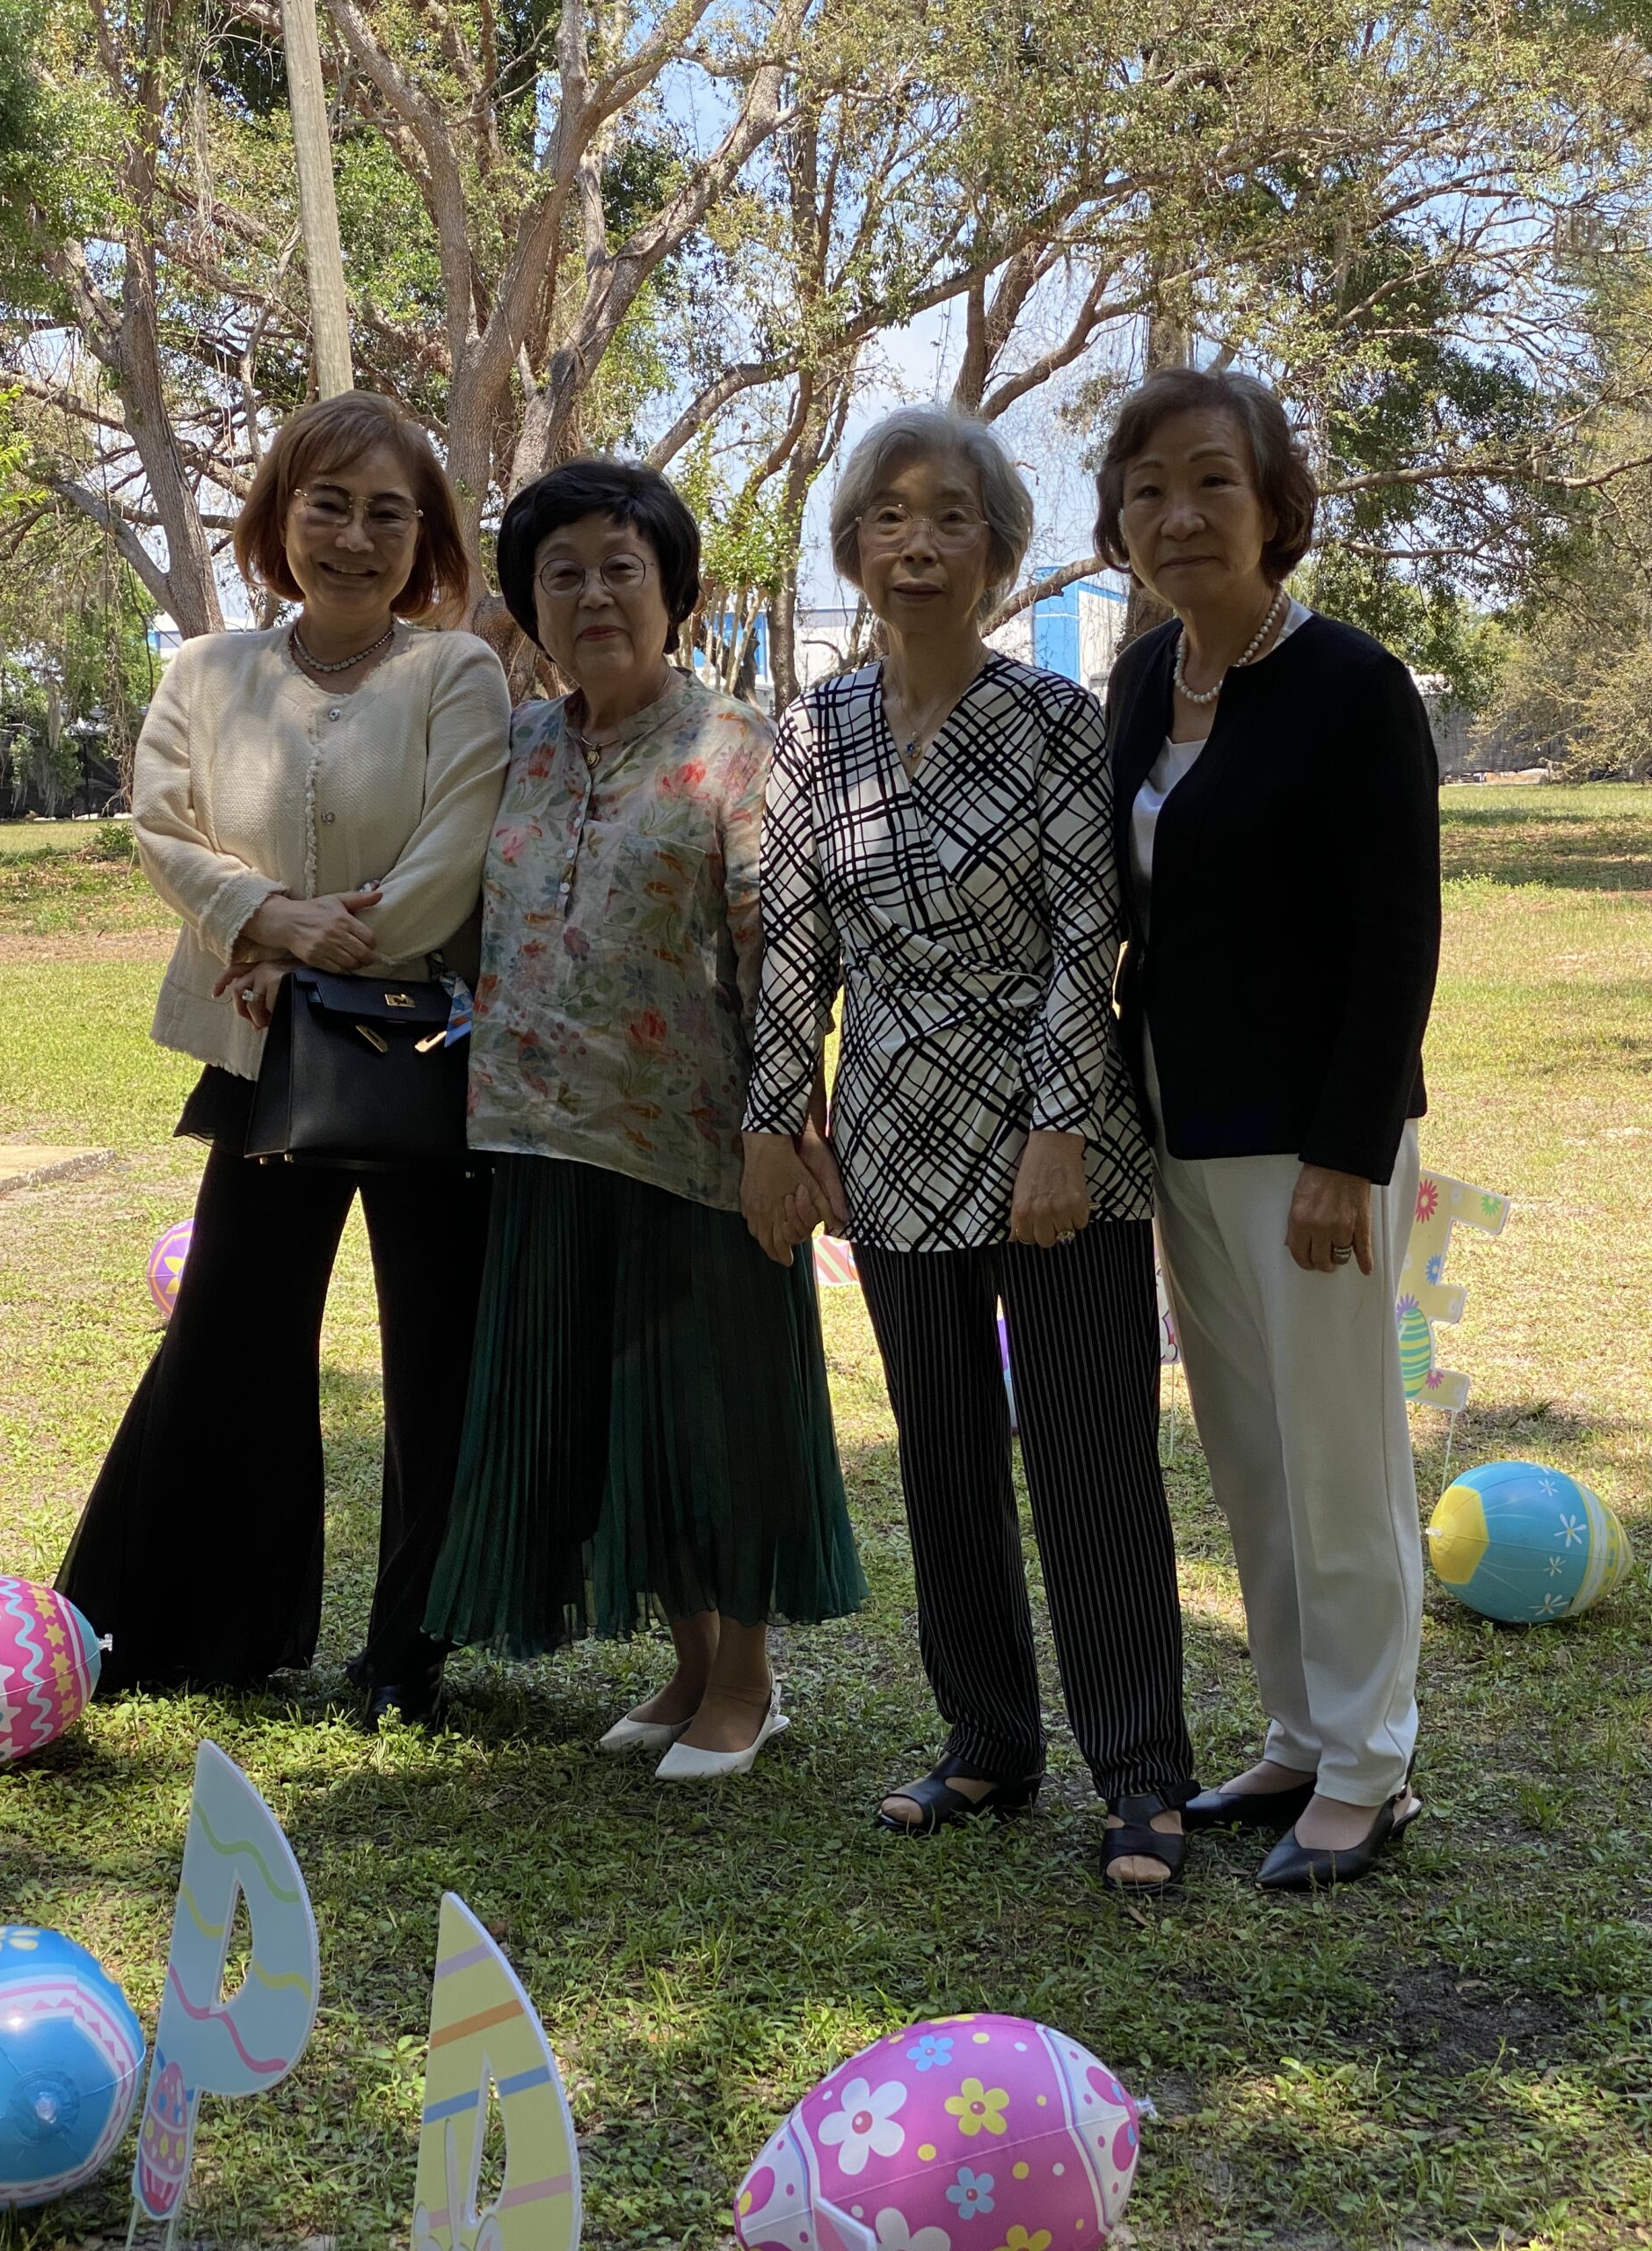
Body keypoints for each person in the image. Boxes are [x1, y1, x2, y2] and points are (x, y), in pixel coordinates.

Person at [741, 406, 1197, 1894]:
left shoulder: (1056, 717)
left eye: (950, 517)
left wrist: (1059, 1130)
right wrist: (774, 1128)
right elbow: (793, 948)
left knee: (1091, 1459)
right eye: (889, 516)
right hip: (890, 1135)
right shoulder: (813, 731)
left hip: (1054, 1136)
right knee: (941, 1455)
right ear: (852, 548)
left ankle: (1141, 1773)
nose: (918, 544)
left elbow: (1088, 934)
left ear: (998, 549)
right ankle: (988, 1738)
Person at [56, 392, 512, 1726]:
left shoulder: (458, 673)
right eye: (328, 505)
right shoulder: (205, 673)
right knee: (231, 1334)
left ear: (424, 539)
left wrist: (308, 952)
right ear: (278, 516)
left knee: (439, 1349)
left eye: (388, 515)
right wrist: (265, 916)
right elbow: (163, 826)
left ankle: (411, 1651)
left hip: (423, 1051)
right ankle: (190, 1628)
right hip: (260, 1056)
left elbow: (454, 852)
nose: (355, 539)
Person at [424, 458, 865, 1777]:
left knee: (715, 1414)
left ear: (675, 591)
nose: (594, 596)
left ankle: (747, 1682)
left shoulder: (736, 744)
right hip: (539, 1136)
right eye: (561, 575)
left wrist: (783, 1131)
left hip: (700, 1146)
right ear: (530, 607)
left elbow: (785, 950)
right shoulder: (516, 746)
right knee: (622, 1418)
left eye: (623, 568)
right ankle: (688, 1664)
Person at [1095, 365, 1442, 1890]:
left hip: (1312, 1146)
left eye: (1211, 482)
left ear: (1276, 505)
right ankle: (1300, 1732)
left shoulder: (1353, 685)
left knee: (1340, 1454)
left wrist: (1346, 1156)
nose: (1179, 514)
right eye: (1149, 489)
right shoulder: (1140, 679)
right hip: (1180, 1126)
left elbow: (1398, 936)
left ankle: (1369, 1769)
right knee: (1248, 1453)